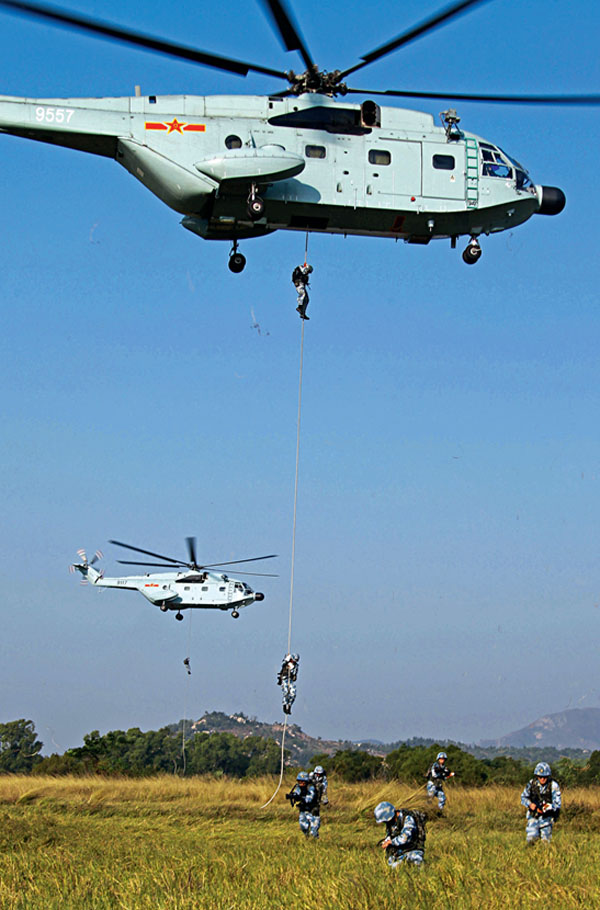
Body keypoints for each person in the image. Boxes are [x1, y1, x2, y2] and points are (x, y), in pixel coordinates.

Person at [520, 762, 562, 845]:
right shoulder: (532, 784)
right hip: (533, 816)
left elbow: (557, 804)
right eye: (540, 777)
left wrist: (549, 807)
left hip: (547, 818)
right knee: (531, 840)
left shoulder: (553, 786)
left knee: (546, 842)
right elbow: (523, 797)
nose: (542, 779)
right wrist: (530, 804)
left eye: (545, 777)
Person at [374, 801, 426, 866]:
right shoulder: (391, 823)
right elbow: (389, 836)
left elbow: (405, 838)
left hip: (413, 850)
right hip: (399, 853)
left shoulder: (408, 819)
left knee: (416, 861)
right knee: (392, 865)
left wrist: (390, 842)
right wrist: (386, 842)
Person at [286, 771, 321, 838]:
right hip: (303, 810)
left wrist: (300, 798)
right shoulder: (298, 787)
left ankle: (315, 840)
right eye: (299, 781)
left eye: (302, 781)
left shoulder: (311, 788)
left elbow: (309, 799)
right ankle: (307, 838)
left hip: (312, 811)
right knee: (303, 826)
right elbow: (297, 793)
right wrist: (293, 796)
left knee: (314, 830)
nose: (300, 783)